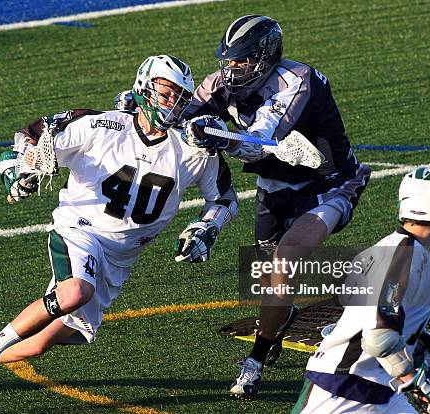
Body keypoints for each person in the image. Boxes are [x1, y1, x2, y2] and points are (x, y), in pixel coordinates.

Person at [0, 54, 238, 396]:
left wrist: (207, 228)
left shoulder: (193, 150)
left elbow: (224, 200)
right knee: (75, 292)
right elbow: (28, 141)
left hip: (118, 260)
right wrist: (18, 171)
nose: (173, 104)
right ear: (144, 90)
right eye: (166, 94)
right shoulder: (101, 126)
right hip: (80, 229)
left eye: (180, 97)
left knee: (37, 344)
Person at [168, 15, 371, 397]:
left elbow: (261, 139)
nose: (232, 69)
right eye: (229, 60)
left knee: (286, 260)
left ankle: (254, 363)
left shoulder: (297, 81)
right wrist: (167, 115)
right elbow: (179, 118)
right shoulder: (219, 83)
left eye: (242, 61)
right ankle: (282, 320)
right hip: (273, 187)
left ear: (264, 57)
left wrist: (220, 138)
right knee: (272, 287)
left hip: (327, 184)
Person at [290, 167, 430, 414]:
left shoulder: (409, 252)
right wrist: (415, 381)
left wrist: (420, 344)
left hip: (374, 388)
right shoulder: (404, 254)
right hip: (346, 389)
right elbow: (379, 337)